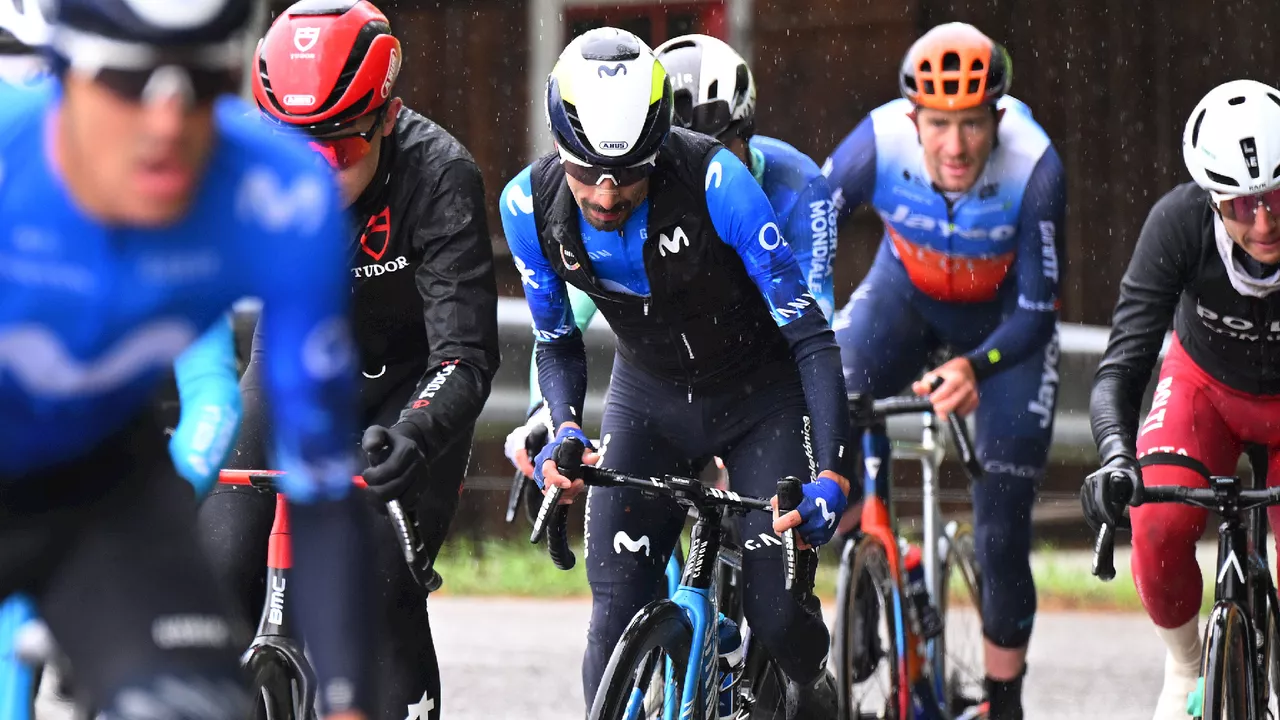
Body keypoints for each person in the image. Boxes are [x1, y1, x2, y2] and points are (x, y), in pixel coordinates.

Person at [0, 0, 375, 717]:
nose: (165, 124)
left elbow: (321, 480)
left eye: (202, 82)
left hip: (101, 483)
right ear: (60, 75)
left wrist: (348, 695)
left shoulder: (279, 196)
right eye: (127, 81)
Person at [501, 26, 852, 717]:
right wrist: (566, 426)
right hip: (650, 396)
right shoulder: (527, 207)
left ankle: (810, 683)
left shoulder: (719, 181)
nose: (604, 196)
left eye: (629, 173)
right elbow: (557, 340)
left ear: (659, 147)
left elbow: (811, 335)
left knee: (779, 622)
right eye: (585, 172)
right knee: (614, 611)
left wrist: (833, 473)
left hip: (762, 399)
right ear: (556, 148)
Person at [195, 2, 500, 719]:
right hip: (293, 367)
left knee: (377, 577)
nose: (314, 171)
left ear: (386, 117)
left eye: (338, 149)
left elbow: (464, 354)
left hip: (408, 388)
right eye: (295, 148)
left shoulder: (441, 176)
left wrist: (419, 434)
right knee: (215, 570)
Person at [822, 22, 1066, 719]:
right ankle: (865, 562)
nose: (954, 148)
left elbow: (1039, 314)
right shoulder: (875, 144)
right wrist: (803, 321)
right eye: (938, 125)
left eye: (970, 126)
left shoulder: (1035, 164)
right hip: (904, 300)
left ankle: (1003, 700)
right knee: (826, 401)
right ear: (913, 120)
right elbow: (808, 228)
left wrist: (978, 367)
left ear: (998, 117)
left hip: (1001, 335)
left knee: (999, 527)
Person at [505, 32, 839, 479]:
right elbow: (567, 324)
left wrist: (824, 455)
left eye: (717, 142)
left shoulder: (784, 184)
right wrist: (544, 416)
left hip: (760, 377)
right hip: (659, 384)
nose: (608, 193)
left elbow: (816, 318)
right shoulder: (583, 199)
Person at [1085, 78, 1280, 720]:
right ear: (1213, 200)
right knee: (1159, 521)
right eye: (1241, 205)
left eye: (1276, 198)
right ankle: (1186, 662)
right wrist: (1116, 458)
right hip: (1206, 391)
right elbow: (1122, 368)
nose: (1263, 221)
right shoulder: (1177, 222)